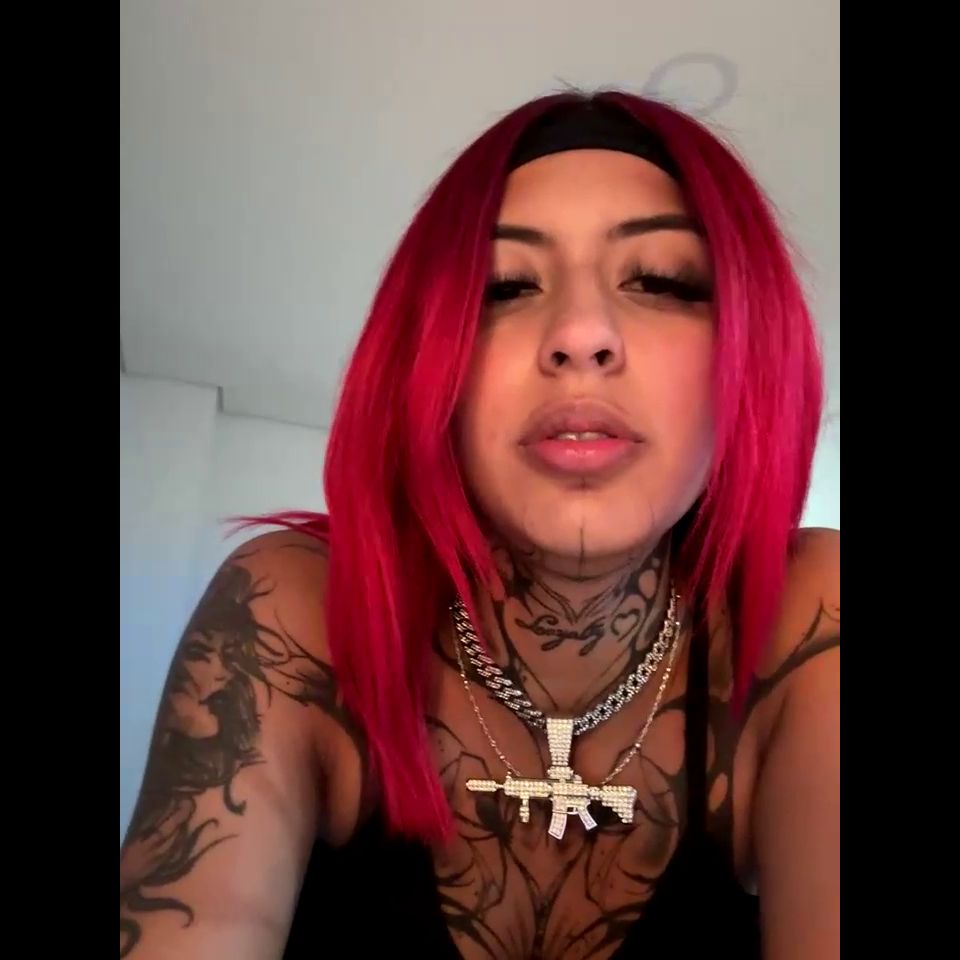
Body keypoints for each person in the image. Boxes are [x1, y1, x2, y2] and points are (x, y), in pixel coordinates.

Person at [119, 89, 839, 959]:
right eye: (505, 286)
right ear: (428, 361)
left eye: (660, 279)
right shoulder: (291, 610)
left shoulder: (811, 620)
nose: (581, 334)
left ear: (750, 355)